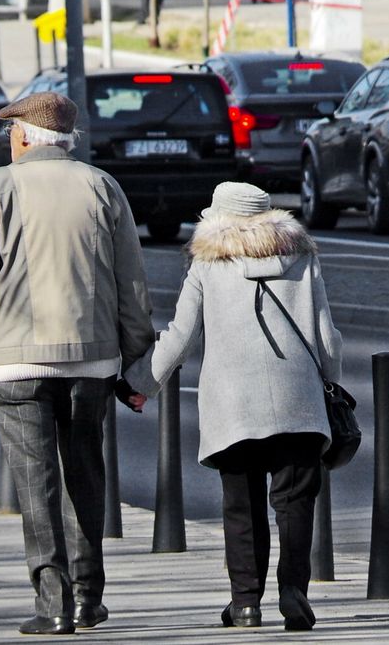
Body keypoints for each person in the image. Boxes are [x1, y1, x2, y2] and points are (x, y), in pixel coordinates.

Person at [0, 92, 154, 635]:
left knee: (33, 481)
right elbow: (131, 285)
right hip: (91, 362)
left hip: (15, 364)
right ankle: (88, 597)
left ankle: (52, 603)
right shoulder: (102, 187)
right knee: (84, 471)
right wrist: (136, 363)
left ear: (20, 138)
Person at [119, 182, 343, 632]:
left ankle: (245, 603)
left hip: (234, 404)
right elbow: (326, 337)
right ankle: (293, 591)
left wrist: (140, 384)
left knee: (241, 505)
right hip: (297, 400)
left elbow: (181, 337)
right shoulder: (302, 257)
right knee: (295, 500)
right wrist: (329, 383)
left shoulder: (207, 263)